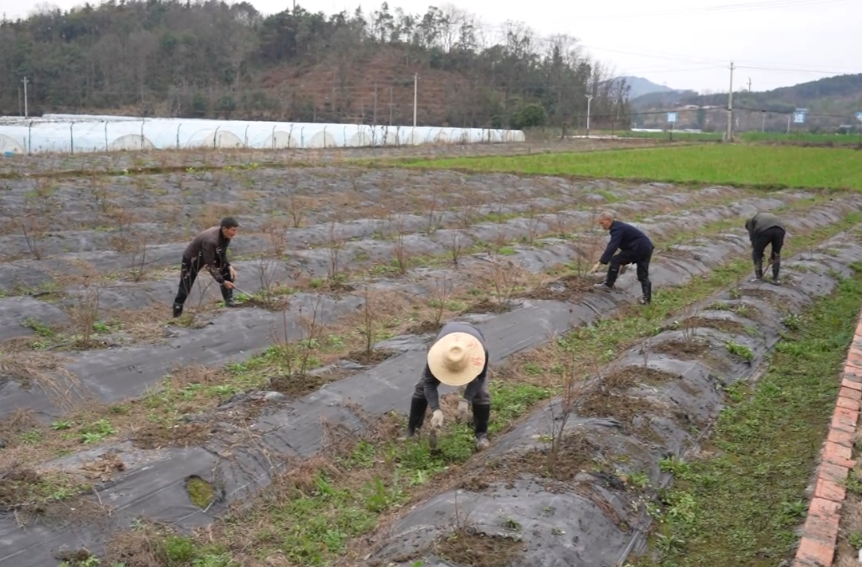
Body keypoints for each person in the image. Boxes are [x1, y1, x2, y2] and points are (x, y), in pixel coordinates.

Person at [405, 321, 491, 450]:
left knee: (481, 394)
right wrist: (436, 410)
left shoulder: (480, 351)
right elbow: (429, 383)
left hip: (471, 344)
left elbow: (481, 377)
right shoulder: (436, 353)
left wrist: (465, 400)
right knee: (421, 387)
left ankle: (481, 436)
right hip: (447, 338)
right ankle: (412, 433)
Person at [172, 217, 239, 317]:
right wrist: (222, 281)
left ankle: (229, 302)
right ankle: (177, 313)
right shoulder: (211, 240)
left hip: (208, 254)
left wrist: (229, 266)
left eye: (236, 230)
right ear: (225, 229)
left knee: (228, 271)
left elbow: (222, 253)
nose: (235, 233)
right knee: (186, 284)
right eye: (233, 230)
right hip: (193, 258)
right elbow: (209, 265)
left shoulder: (226, 236)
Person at [589, 211, 655, 305]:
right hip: (646, 248)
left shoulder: (616, 229)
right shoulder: (619, 226)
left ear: (609, 220)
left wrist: (600, 262)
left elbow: (612, 246)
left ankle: (608, 285)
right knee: (643, 275)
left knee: (615, 259)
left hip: (638, 248)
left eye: (602, 223)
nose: (601, 226)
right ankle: (646, 300)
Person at [745, 211, 786, 284]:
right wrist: (772, 257)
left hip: (766, 230)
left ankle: (759, 277)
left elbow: (753, 238)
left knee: (756, 253)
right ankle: (775, 279)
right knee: (776, 254)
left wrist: (759, 253)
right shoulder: (760, 217)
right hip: (780, 229)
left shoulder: (750, 222)